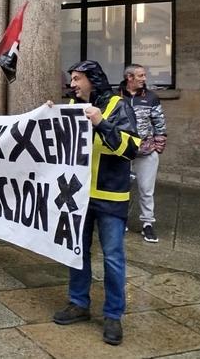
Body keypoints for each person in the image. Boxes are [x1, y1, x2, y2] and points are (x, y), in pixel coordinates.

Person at [52, 60, 140, 346]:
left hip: (110, 196)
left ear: (92, 80)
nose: (73, 84)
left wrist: (101, 123)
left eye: (77, 79)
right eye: (72, 79)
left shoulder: (118, 105)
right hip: (77, 195)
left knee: (113, 257)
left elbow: (131, 148)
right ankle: (78, 303)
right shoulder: (72, 106)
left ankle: (113, 315)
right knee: (77, 251)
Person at [118, 64, 167, 243]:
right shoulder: (116, 97)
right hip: (121, 153)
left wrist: (158, 147)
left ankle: (147, 224)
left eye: (144, 75)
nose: (144, 78)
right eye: (141, 75)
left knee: (146, 190)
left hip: (146, 153)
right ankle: (120, 220)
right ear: (129, 77)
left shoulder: (151, 97)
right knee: (121, 188)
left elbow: (159, 123)